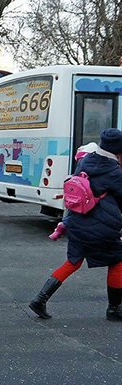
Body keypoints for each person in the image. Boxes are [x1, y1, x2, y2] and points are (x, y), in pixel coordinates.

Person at [29, 128, 122, 322]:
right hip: (101, 227)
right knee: (117, 261)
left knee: (73, 261)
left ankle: (40, 299)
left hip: (78, 223)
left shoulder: (86, 161)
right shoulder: (113, 171)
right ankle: (114, 309)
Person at [48, 142, 98, 240]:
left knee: (73, 210)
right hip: (93, 205)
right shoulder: (101, 166)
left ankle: (63, 224)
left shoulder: (81, 167)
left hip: (79, 201)